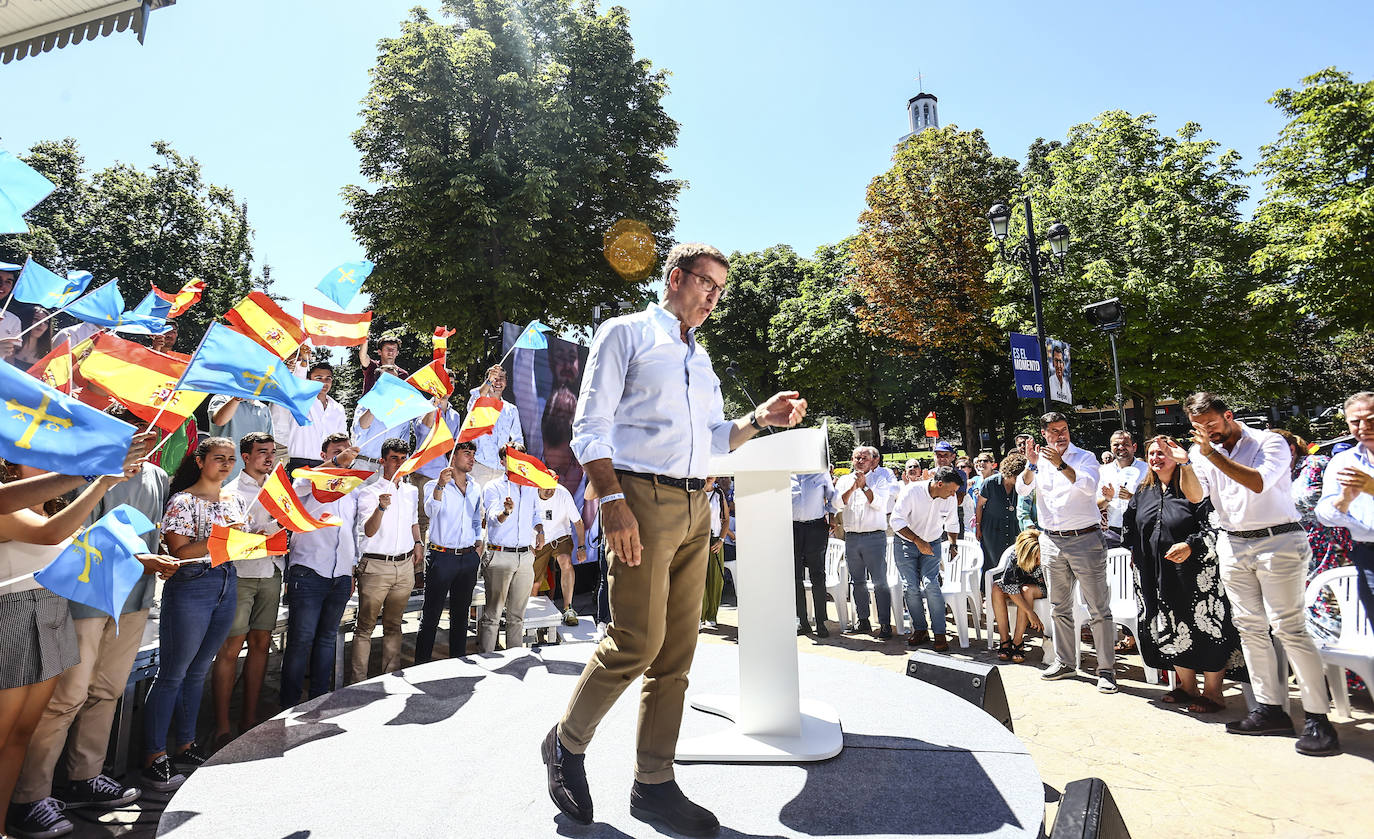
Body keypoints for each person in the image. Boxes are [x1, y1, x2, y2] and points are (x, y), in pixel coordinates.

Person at [543, 242, 807, 835]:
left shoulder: (701, 359)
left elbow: (715, 438)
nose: (713, 299)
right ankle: (565, 743)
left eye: (720, 291)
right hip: (639, 498)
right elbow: (589, 428)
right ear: (675, 278)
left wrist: (759, 419)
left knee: (676, 658)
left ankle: (653, 785)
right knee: (636, 640)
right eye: (706, 285)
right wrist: (612, 500)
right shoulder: (626, 334)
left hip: (696, 504)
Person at [1, 456, 156, 839]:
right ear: (12, 470)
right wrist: (101, 482)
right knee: (2, 736)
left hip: (51, 616)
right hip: (14, 619)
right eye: (40, 462)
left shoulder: (52, 509)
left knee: (21, 735)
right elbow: (52, 534)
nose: (52, 468)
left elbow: (79, 554)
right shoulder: (6, 505)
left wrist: (143, 561)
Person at [1181, 392, 1338, 755]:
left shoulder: (1271, 442)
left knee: (1289, 627)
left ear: (1229, 415)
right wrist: (1188, 464)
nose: (1206, 432)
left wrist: (1209, 454)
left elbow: (1257, 483)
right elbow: (1195, 496)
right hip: (1233, 542)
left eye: (1212, 424)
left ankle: (1317, 717)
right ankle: (1269, 709)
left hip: (1278, 539)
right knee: (1249, 627)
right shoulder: (1201, 451)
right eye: (1198, 427)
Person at [140, 437, 246, 793]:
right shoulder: (183, 500)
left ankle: (185, 746)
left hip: (226, 580)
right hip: (192, 583)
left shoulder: (233, 500)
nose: (226, 464)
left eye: (231, 459)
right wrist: (224, 538)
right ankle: (154, 756)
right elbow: (179, 551)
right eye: (219, 458)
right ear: (200, 461)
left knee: (198, 671)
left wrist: (252, 541)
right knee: (173, 673)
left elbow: (234, 545)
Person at [1126, 436, 1241, 714]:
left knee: (1206, 627)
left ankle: (1213, 692)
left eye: (1163, 453)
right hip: (1155, 573)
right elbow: (1130, 526)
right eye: (1152, 453)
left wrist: (1191, 544)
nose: (1156, 458)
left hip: (1196, 573)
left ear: (1176, 455)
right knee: (1169, 625)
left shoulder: (1193, 486)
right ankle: (1186, 686)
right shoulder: (1144, 491)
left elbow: (1213, 525)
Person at [1017, 412, 1118, 693]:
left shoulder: (1084, 457)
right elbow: (1023, 488)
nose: (1060, 434)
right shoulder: (1039, 462)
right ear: (1044, 434)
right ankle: (1064, 662)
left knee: (1098, 608)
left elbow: (1087, 487)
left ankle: (1106, 670)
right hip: (1051, 541)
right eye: (1053, 430)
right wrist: (1032, 465)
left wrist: (1059, 464)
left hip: (1085, 540)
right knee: (1059, 607)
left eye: (1064, 429)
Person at [208, 432, 281, 751]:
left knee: (262, 642)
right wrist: (259, 535)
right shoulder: (231, 492)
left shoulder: (278, 488)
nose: (268, 457)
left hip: (272, 571)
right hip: (242, 574)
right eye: (262, 452)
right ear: (246, 457)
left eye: (272, 452)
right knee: (230, 646)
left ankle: (249, 719)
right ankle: (222, 726)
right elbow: (231, 538)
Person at [280, 434, 362, 709]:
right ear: (323, 453)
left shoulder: (354, 489)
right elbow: (298, 488)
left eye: (346, 451)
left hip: (340, 574)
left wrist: (351, 569)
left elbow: (353, 531)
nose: (343, 455)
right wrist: (338, 462)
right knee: (300, 640)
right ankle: (288, 704)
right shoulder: (307, 477)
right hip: (309, 571)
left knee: (327, 639)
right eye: (336, 452)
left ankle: (318, 699)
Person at [351, 439, 423, 683]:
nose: (400, 463)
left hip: (404, 565)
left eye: (404, 459)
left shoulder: (412, 491)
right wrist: (380, 508)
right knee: (365, 628)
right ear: (382, 461)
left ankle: (390, 677)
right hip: (376, 566)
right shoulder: (369, 492)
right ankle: (358, 682)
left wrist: (418, 543)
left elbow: (414, 521)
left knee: (394, 625)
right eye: (394, 458)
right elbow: (368, 531)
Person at [417, 441, 484, 662]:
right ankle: (421, 664)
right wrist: (440, 486)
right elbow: (430, 511)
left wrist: (478, 542)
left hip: (468, 557)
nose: (472, 458)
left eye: (473, 454)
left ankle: (458, 661)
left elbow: (476, 518)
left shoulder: (475, 486)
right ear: (453, 457)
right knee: (431, 616)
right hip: (441, 556)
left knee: (461, 615)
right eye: (466, 453)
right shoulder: (433, 485)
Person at [1316, 392, 1374, 634]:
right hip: (1368, 557)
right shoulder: (1343, 461)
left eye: (1370, 419)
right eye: (1355, 422)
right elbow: (1324, 514)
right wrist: (1343, 500)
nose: (1363, 427)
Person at [478, 444, 544, 652]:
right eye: (512, 458)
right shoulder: (494, 487)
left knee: (517, 615)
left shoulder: (531, 486)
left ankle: (515, 660)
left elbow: (535, 514)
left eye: (520, 457)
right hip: (499, 555)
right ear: (503, 462)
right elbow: (492, 519)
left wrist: (540, 529)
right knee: (492, 615)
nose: (517, 461)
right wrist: (505, 512)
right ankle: (487, 657)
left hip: (525, 556)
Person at [890, 466, 961, 650]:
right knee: (911, 587)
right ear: (939, 484)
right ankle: (920, 629)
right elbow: (896, 521)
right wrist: (917, 541)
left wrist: (953, 544)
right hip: (906, 543)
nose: (953, 495)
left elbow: (952, 523)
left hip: (933, 543)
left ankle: (939, 632)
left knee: (932, 585)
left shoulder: (950, 498)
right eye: (951, 490)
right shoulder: (912, 491)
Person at [835, 446, 897, 639]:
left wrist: (863, 486)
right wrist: (853, 487)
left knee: (880, 582)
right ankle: (863, 621)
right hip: (852, 538)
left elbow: (878, 503)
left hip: (874, 537)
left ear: (872, 461)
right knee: (857, 582)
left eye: (865, 458)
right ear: (852, 460)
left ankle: (885, 623)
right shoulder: (845, 480)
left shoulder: (880, 479)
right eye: (857, 458)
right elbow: (837, 504)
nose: (860, 461)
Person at [533, 471, 586, 627]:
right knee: (534, 581)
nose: (550, 491)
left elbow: (578, 522)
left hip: (560, 535)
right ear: (538, 485)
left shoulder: (563, 493)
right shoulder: (530, 494)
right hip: (538, 539)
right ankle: (531, 614)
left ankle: (568, 608)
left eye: (553, 488)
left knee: (565, 562)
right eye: (546, 488)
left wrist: (581, 546)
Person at [792, 471, 839, 637]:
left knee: (817, 575)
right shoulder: (785, 474)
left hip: (816, 527)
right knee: (795, 577)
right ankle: (802, 621)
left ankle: (820, 621)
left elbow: (833, 497)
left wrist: (831, 515)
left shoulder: (820, 473)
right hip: (793, 529)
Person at [991, 528, 1047, 664]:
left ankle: (1018, 641)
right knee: (997, 589)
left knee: (1026, 590)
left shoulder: (1047, 550)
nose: (1038, 560)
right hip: (1019, 586)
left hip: (1041, 586)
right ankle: (1004, 640)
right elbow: (1010, 586)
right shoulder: (1015, 555)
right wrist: (1030, 613)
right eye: (1036, 557)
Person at [467, 364, 524, 487]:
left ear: (506, 382)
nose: (498, 381)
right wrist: (488, 381)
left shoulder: (511, 409)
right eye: (494, 378)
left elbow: (518, 439)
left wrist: (513, 461)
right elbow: (478, 397)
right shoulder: (478, 402)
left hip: (503, 470)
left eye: (501, 378)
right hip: (480, 467)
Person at [285, 361, 346, 473]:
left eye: (328, 378)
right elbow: (297, 383)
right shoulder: (299, 401)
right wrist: (303, 361)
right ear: (309, 380)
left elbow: (342, 440)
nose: (324, 382)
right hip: (299, 465)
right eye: (319, 378)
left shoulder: (338, 409)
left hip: (327, 466)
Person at [978, 453, 1026, 578]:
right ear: (1010, 473)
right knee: (992, 561)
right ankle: (988, 591)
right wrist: (978, 527)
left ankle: (1009, 590)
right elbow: (979, 506)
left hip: (1013, 526)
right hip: (992, 526)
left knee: (1013, 561)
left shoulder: (1020, 487)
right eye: (1017, 477)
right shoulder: (990, 483)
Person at [207, 393, 273, 483]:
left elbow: (269, 446)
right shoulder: (222, 398)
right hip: (224, 479)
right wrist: (237, 398)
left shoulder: (263, 409)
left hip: (253, 481)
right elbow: (219, 420)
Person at [1098, 431, 1147, 550]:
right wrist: (1107, 499)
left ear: (1134, 447)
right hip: (1112, 532)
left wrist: (1132, 497)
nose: (1121, 447)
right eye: (1116, 445)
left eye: (1126, 444)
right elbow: (1096, 506)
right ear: (1111, 448)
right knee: (1114, 568)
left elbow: (1155, 502)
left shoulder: (1147, 470)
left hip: (1141, 529)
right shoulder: (1103, 471)